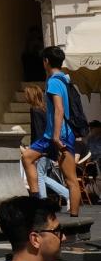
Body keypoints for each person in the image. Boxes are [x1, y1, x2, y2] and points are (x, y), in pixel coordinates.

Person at [41, 46, 83, 217]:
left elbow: (59, 109)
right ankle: (41, 203)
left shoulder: (54, 81)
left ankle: (74, 216)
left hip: (61, 135)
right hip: (63, 134)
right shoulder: (63, 79)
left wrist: (56, 136)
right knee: (29, 157)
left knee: (71, 179)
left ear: (46, 61)